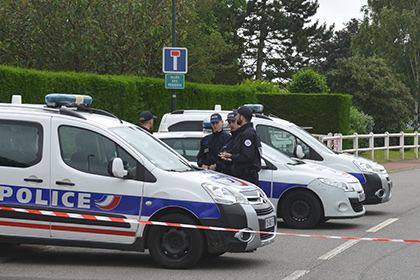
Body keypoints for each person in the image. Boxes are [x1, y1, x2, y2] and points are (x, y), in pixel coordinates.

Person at [219, 106, 262, 185]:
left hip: (246, 176)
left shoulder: (247, 134)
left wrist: (231, 156)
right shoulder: (245, 132)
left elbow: (248, 157)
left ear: (242, 117)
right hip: (241, 176)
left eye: (237, 115)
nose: (236, 117)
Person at [218, 110, 240, 175]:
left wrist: (231, 157)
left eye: (233, 121)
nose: (231, 125)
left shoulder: (242, 137)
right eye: (229, 122)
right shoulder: (230, 138)